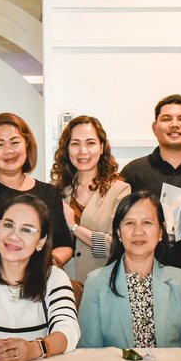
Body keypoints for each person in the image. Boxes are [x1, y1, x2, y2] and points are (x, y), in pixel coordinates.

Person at [0, 194, 79, 361]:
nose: (13, 236)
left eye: (26, 230)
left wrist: (35, 349)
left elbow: (68, 330)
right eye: (8, 225)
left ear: (41, 241)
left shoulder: (54, 277)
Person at [78, 190, 181, 348]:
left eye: (147, 222)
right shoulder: (96, 283)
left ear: (161, 231)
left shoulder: (180, 281)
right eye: (129, 223)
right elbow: (89, 353)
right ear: (118, 232)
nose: (138, 231)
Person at [119, 94, 181, 286]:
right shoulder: (133, 172)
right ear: (154, 127)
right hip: (145, 278)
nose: (175, 125)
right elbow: (120, 223)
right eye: (166, 119)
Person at [0, 112, 74, 266]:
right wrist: (6, 271)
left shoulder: (50, 193)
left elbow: (65, 246)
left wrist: (42, 267)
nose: (8, 150)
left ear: (27, 146)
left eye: (15, 142)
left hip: (38, 278)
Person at [52, 115, 131, 285]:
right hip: (61, 284)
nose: (83, 151)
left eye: (90, 143)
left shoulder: (119, 191)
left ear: (101, 147)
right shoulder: (55, 190)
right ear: (67, 149)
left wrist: (74, 227)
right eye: (75, 144)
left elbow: (117, 246)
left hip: (102, 285)